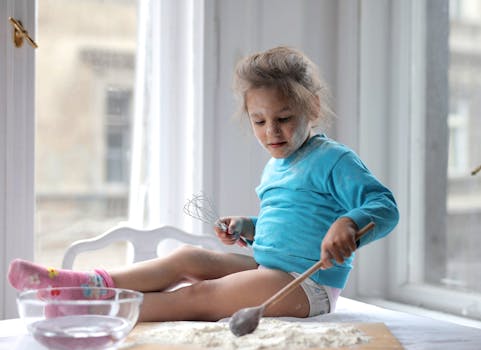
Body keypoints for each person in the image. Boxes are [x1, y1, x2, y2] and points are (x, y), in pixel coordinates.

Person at [8, 46, 399, 322]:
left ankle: (89, 309)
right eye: (259, 121)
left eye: (284, 118)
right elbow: (291, 230)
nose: (271, 131)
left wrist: (348, 224)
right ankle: (79, 284)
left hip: (308, 285)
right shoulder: (276, 166)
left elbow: (384, 206)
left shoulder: (334, 159)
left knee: (199, 297)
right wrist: (249, 228)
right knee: (187, 259)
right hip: (270, 265)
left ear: (311, 108)